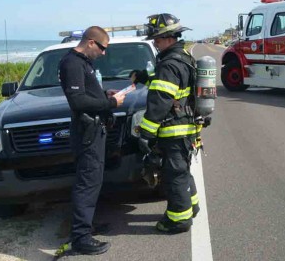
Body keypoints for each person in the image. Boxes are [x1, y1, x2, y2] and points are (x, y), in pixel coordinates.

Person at [132, 13, 202, 233]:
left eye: (157, 39)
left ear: (169, 37)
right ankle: (191, 206)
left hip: (173, 129)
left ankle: (178, 220)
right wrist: (145, 78)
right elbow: (170, 88)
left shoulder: (168, 64)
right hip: (186, 127)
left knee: (174, 175)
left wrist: (146, 133)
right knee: (182, 171)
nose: (155, 42)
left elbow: (160, 101)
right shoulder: (182, 58)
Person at [59, 26, 126, 255]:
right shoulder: (72, 64)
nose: (104, 53)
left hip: (94, 131)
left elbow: (87, 94)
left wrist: (104, 95)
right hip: (87, 132)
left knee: (93, 181)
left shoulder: (84, 63)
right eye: (103, 47)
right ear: (90, 42)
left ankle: (86, 226)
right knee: (87, 184)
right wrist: (111, 104)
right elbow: (77, 102)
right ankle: (80, 238)